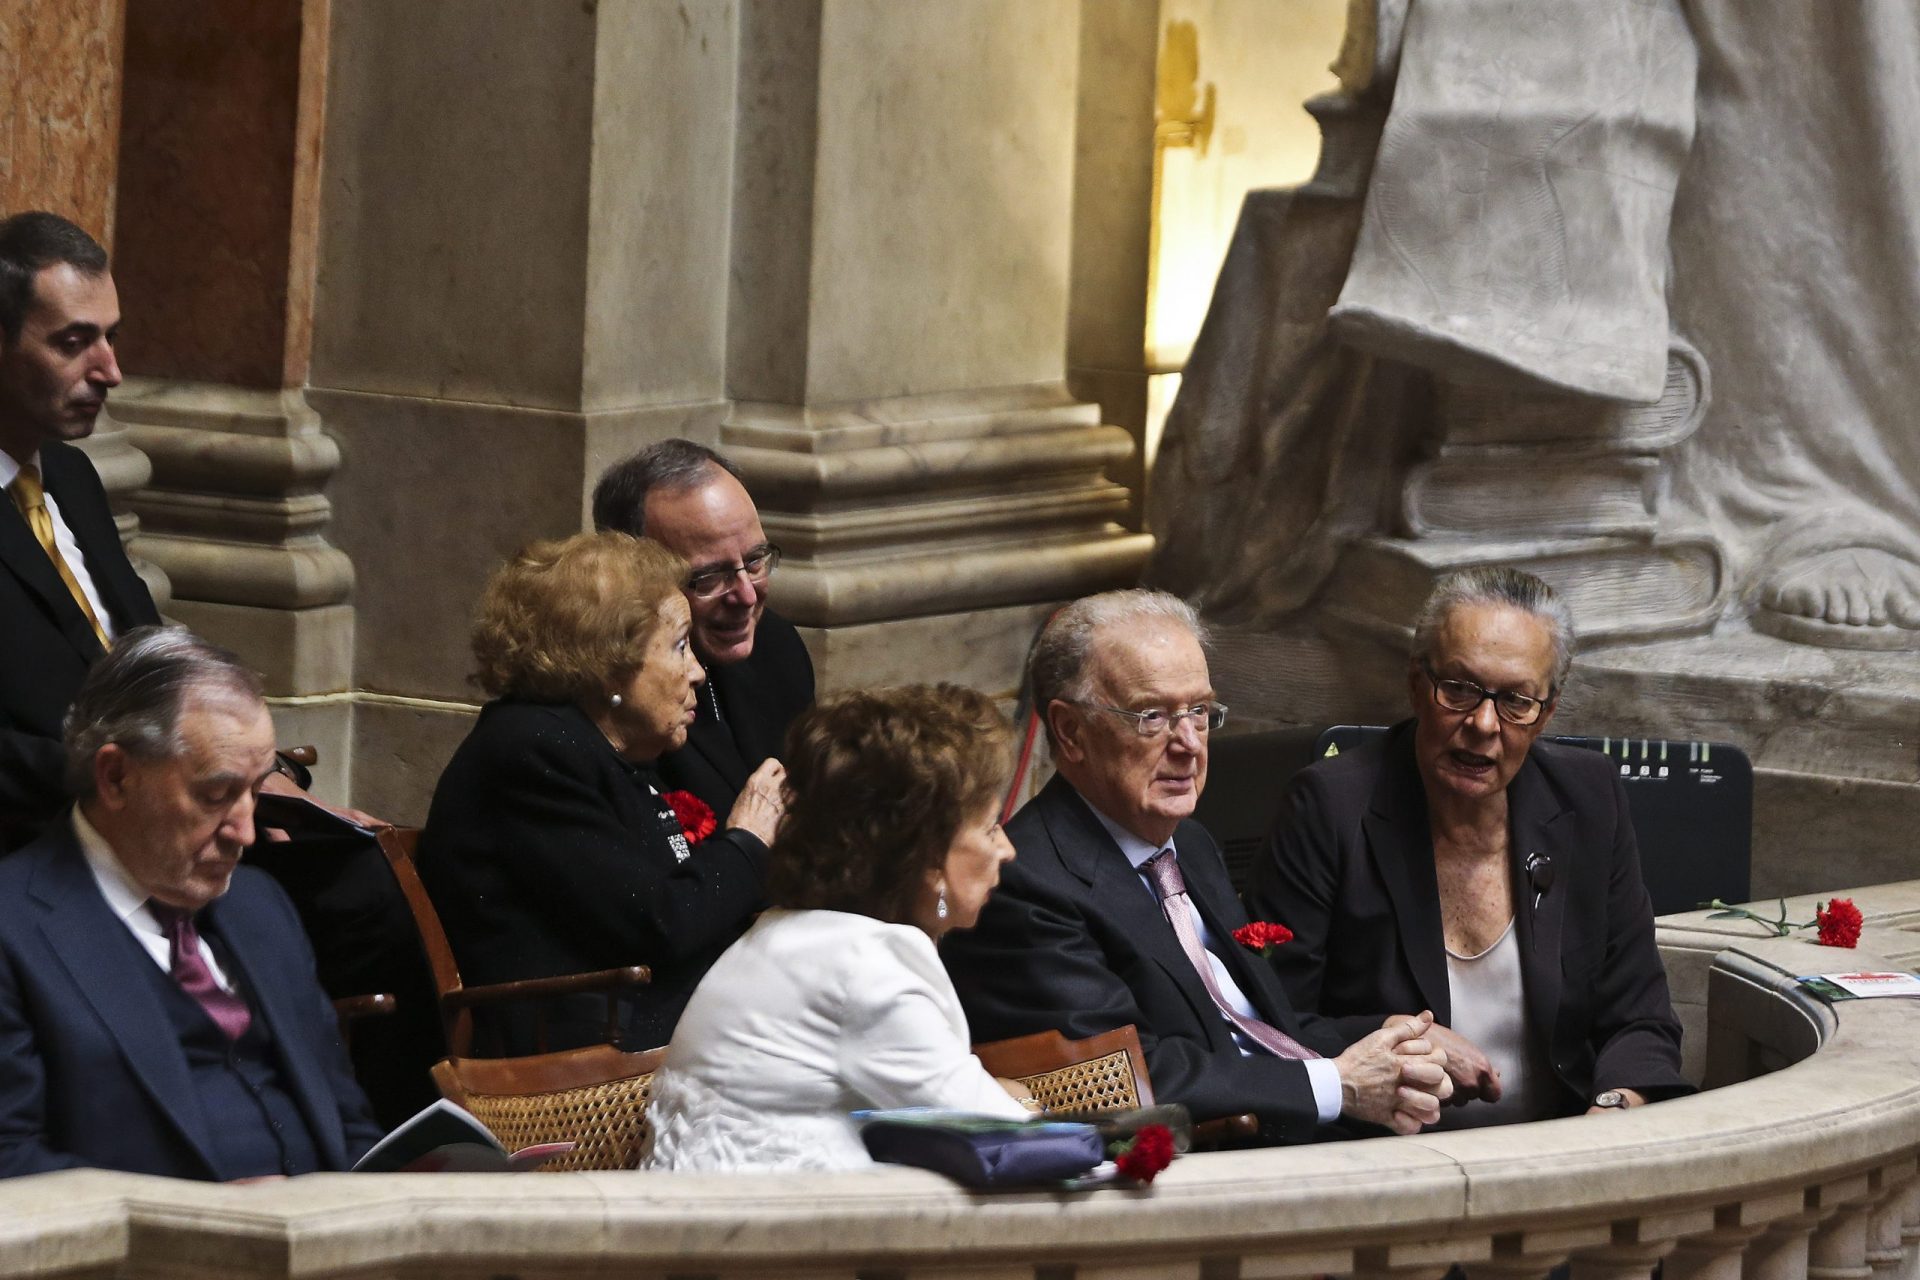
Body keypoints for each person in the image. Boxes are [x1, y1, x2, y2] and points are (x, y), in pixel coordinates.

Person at [943, 590, 1452, 1144]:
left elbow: (1258, 1029)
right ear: (1069, 731)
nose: (1189, 743)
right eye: (1153, 716)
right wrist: (1339, 1085)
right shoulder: (1025, 881)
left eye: (1201, 712)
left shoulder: (1191, 844)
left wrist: (1392, 1039)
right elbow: (1124, 1081)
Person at [1247, 567, 1688, 1126]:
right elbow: (1271, 1020)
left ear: (1546, 712)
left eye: (1516, 702)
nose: (1482, 724)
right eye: (1458, 689)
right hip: (1394, 1158)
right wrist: (1397, 1036)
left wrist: (1614, 1107)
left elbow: (1640, 1015)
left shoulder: (1589, 797)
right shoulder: (1330, 809)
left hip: (1563, 1149)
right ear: (1416, 684)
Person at [0, 627, 382, 1179]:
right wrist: (210, 1227)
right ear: (115, 777)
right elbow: (12, 1165)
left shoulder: (261, 907)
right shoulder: (14, 929)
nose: (246, 832)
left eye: (256, 791)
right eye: (216, 796)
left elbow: (348, 1123)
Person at [417, 531, 785, 1054]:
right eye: (680, 646)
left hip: (643, 1021)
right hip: (580, 1057)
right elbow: (660, 924)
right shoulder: (533, 752)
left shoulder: (608, 750)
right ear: (609, 662)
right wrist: (747, 841)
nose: (698, 672)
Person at [644, 684, 1031, 1172]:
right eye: (991, 827)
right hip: (772, 1239)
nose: (1007, 850)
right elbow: (1009, 1145)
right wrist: (1028, 1107)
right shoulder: (868, 967)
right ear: (930, 854)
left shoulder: (791, 936)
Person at [0, 211, 162, 842]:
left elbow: (140, 647)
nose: (110, 371)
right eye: (73, 343)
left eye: (111, 338)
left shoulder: (69, 476)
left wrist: (241, 761)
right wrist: (124, 774)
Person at [592, 440, 814, 820]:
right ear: (630, 573)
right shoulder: (609, 700)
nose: (746, 595)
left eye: (755, 560)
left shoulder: (777, 648)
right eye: (710, 577)